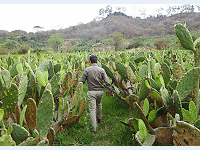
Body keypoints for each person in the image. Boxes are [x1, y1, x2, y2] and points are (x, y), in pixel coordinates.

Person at [79, 55, 114, 134]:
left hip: (91, 92)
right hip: (100, 91)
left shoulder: (87, 70)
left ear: (90, 62)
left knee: (92, 110)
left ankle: (94, 129)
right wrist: (111, 92)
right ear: (97, 61)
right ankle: (99, 119)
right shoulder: (102, 70)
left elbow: (82, 81)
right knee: (99, 105)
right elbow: (107, 82)